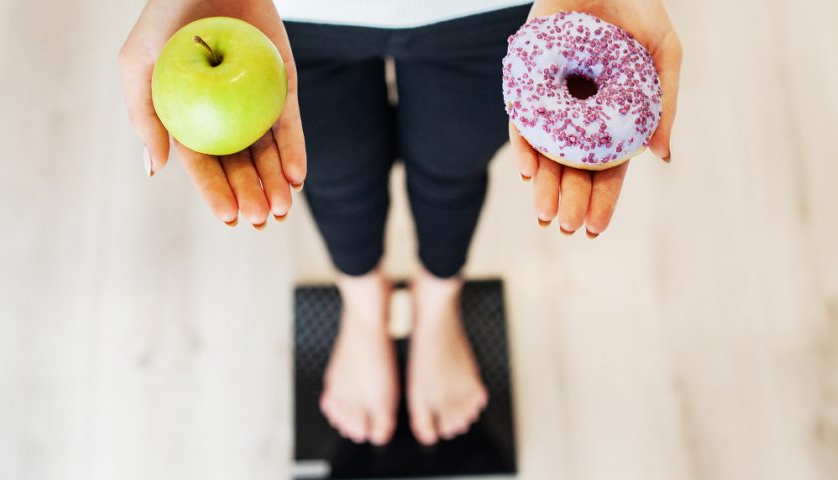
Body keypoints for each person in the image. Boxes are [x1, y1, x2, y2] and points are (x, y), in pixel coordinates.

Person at [119, 0, 681, 447]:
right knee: (333, 169)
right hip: (278, 18)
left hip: (492, 12)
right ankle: (365, 313)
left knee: (452, 165)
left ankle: (438, 308)